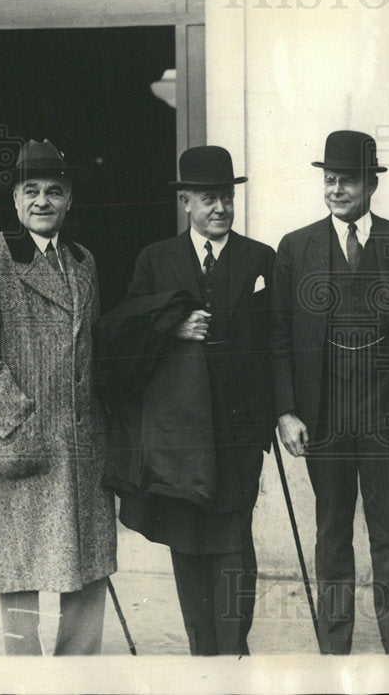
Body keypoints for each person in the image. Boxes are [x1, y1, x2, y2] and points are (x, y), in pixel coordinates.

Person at [272, 129, 389, 654]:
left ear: (371, 185)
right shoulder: (296, 247)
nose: (337, 190)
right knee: (332, 531)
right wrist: (286, 410)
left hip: (386, 414)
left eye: (348, 181)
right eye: (330, 180)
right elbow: (279, 335)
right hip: (323, 415)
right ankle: (334, 649)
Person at [102, 145, 275, 655]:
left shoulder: (260, 258)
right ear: (186, 203)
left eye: (226, 197)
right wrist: (171, 325)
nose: (219, 208)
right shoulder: (156, 260)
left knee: (232, 539)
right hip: (179, 432)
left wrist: (280, 411)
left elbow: (279, 339)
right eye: (207, 198)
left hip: (239, 429)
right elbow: (125, 330)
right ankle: (202, 650)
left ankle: (233, 645)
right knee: (187, 538)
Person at [0, 138, 117, 655]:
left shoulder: (82, 260)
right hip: (22, 441)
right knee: (21, 572)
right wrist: (19, 422)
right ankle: (23, 683)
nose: (43, 201)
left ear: (69, 199)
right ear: (14, 200)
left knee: (88, 570)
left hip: (81, 444)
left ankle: (80, 678)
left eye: (55, 191)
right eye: (31, 191)